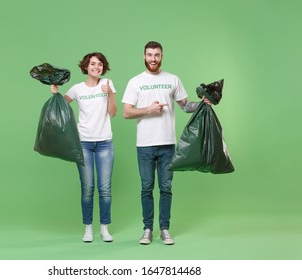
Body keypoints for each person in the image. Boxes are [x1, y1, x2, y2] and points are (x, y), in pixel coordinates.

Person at [122, 41, 211, 245]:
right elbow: (127, 112)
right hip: (144, 144)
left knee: (166, 188)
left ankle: (164, 229)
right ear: (144, 56)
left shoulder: (172, 79)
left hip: (167, 144)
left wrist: (202, 104)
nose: (153, 58)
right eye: (149, 54)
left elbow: (186, 106)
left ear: (162, 56)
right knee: (146, 188)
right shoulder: (135, 81)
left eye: (157, 55)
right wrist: (148, 110)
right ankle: (147, 229)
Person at [51, 52, 117, 242]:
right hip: (84, 144)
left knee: (105, 188)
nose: (97, 67)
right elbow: (62, 106)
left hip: (105, 142)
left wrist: (110, 93)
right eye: (93, 64)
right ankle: (88, 228)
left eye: (100, 64)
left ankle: (104, 228)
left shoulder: (107, 84)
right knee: (87, 188)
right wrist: (56, 93)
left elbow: (112, 113)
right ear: (86, 67)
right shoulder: (77, 89)